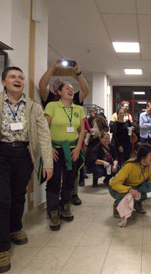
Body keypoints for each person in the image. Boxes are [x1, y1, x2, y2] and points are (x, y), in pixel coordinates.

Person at [0, 67, 53, 273]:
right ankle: (0, 250)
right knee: (0, 200)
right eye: (12, 77)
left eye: (20, 77)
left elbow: (44, 135)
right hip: (0, 156)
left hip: (24, 156)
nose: (17, 80)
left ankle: (15, 228)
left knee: (18, 196)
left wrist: (48, 163)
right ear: (3, 82)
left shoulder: (33, 107)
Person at [44, 82, 86, 231]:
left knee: (69, 179)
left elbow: (81, 131)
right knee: (54, 180)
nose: (71, 90)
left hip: (72, 150)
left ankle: (65, 206)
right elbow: (44, 128)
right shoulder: (52, 106)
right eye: (67, 88)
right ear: (59, 92)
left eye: (72, 89)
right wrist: (48, 147)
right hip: (54, 149)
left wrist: (78, 148)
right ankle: (53, 212)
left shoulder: (78, 109)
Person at [109, 143, 151, 218]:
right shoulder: (130, 165)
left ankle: (136, 202)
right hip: (117, 188)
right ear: (143, 156)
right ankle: (117, 204)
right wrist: (129, 189)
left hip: (136, 188)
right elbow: (115, 184)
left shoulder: (150, 166)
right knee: (128, 195)